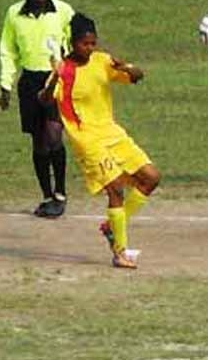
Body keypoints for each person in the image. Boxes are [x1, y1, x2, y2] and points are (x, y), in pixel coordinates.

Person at [40, 14, 161, 269]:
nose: (90, 48)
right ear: (73, 43)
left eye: (93, 43)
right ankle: (120, 252)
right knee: (116, 187)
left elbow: (138, 77)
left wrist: (126, 66)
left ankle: (111, 226)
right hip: (87, 139)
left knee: (151, 177)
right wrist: (54, 77)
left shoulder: (102, 60)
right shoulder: (64, 70)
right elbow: (45, 100)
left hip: (112, 133)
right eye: (85, 44)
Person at [0, 0, 75, 218]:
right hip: (30, 80)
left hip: (55, 79)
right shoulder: (14, 15)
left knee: (54, 135)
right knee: (39, 141)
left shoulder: (63, 11)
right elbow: (8, 50)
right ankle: (46, 195)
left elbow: (76, 43)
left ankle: (61, 193)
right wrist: (5, 85)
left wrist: (72, 73)